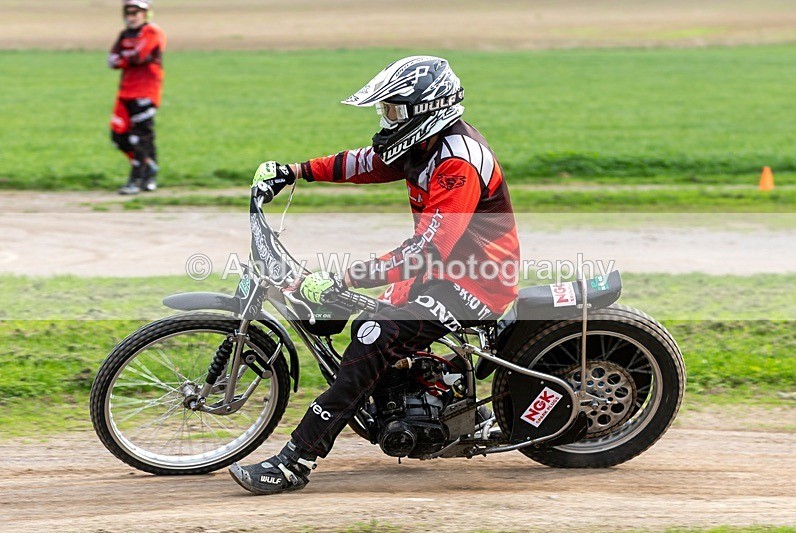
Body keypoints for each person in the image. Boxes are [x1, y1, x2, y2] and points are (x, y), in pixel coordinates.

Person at [228, 56, 521, 495]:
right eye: (383, 110)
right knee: (370, 323)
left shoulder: (457, 162)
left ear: (429, 109)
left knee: (372, 337)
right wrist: (295, 171)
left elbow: (427, 249)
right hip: (443, 272)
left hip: (477, 281)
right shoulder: (421, 147)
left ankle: (295, 462)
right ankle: (426, 399)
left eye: (394, 111)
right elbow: (362, 163)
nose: (386, 120)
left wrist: (344, 277)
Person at [107, 0, 166, 195]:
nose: (131, 16)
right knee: (118, 136)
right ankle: (149, 167)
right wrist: (125, 58)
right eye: (128, 12)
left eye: (136, 12)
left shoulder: (152, 32)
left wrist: (124, 57)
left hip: (146, 91)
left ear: (145, 14)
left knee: (140, 136)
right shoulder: (124, 35)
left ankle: (138, 177)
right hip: (125, 91)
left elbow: (138, 56)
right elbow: (112, 60)